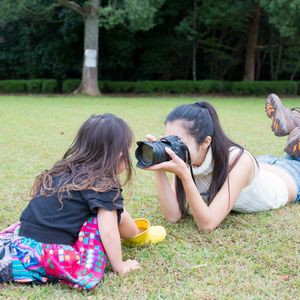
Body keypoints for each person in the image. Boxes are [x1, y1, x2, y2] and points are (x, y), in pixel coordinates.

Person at [0, 114, 166, 290]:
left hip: (22, 246)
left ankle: (135, 234)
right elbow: (108, 230)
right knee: (101, 218)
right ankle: (136, 236)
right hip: (51, 255)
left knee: (111, 208)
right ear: (119, 155)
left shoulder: (62, 170)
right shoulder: (103, 184)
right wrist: (120, 266)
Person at [144, 94, 300, 231]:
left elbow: (207, 225)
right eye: (169, 140)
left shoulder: (239, 161)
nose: (172, 147)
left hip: (290, 176)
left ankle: (294, 122)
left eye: (178, 141)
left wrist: (185, 176)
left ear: (205, 142)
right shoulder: (185, 156)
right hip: (264, 165)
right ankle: (294, 123)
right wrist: (159, 167)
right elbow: (173, 216)